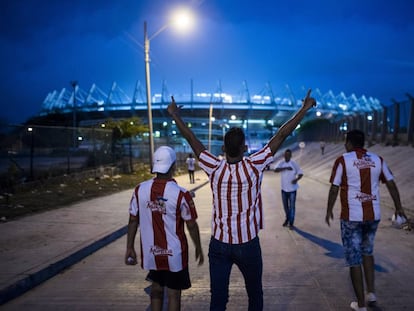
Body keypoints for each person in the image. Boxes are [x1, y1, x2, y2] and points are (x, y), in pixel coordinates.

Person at [168, 90, 316, 310]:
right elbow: (281, 135)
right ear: (244, 148)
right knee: (255, 295)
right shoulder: (254, 165)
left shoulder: (214, 167)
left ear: (223, 149)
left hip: (219, 244)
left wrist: (175, 115)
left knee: (218, 299)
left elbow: (191, 139)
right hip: (248, 244)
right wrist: (303, 109)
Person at [325, 129, 407, 311]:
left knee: (354, 259)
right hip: (373, 216)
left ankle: (361, 305)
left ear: (348, 143)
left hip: (351, 218)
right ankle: (371, 294)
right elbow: (391, 183)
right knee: (367, 252)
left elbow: (334, 188)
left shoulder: (343, 160)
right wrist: (398, 207)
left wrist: (329, 209)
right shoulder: (377, 159)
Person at [125, 146, 204, 311]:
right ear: (173, 166)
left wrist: (129, 247)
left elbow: (133, 220)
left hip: (151, 251)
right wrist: (198, 247)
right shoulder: (181, 194)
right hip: (174, 254)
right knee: (174, 294)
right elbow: (191, 224)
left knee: (156, 290)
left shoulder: (140, 189)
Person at [274, 149, 303, 229]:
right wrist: (286, 168)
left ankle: (291, 222)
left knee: (292, 207)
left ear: (291, 156)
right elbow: (275, 170)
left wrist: (296, 180)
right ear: (284, 155)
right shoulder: (281, 163)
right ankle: (287, 218)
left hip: (292, 190)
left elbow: (301, 173)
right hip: (284, 189)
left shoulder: (294, 164)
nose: (287, 156)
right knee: (285, 206)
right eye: (286, 155)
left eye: (288, 155)